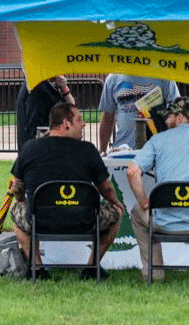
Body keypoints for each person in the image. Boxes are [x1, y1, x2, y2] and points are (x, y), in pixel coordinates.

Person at [9, 102, 124, 280]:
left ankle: (37, 269)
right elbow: (106, 188)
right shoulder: (88, 150)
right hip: (85, 221)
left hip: (39, 221)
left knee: (16, 214)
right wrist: (116, 203)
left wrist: (20, 200)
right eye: (79, 119)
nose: (84, 124)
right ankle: (92, 268)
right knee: (116, 212)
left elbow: (17, 186)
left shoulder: (30, 148)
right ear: (66, 123)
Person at [126, 96, 189, 283]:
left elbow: (132, 171)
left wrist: (143, 202)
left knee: (137, 212)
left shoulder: (158, 140)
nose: (165, 120)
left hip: (163, 221)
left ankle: (153, 273)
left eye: (169, 116)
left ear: (179, 117)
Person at [98, 73, 179, 153]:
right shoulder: (114, 77)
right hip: (123, 151)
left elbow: (176, 112)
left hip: (156, 150)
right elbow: (107, 118)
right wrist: (102, 151)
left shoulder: (163, 75)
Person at [15, 75, 74, 150]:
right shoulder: (38, 89)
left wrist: (65, 90)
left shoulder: (49, 86)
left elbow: (72, 109)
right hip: (40, 151)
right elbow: (37, 128)